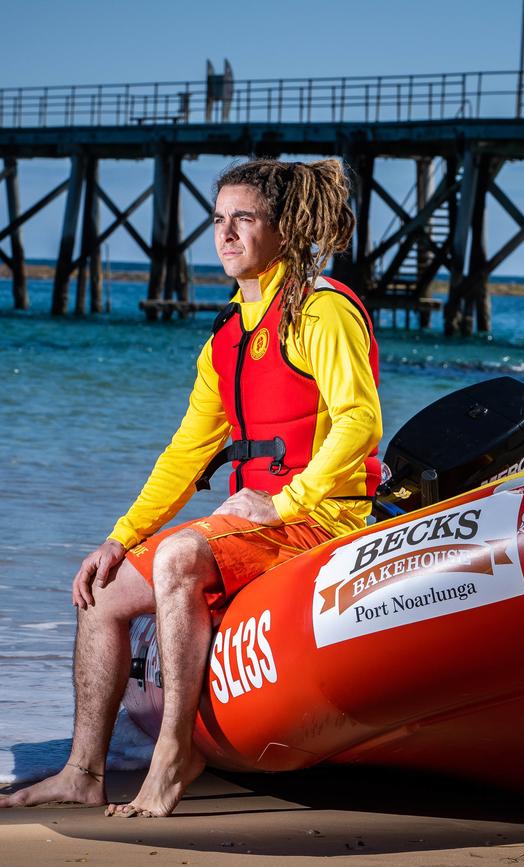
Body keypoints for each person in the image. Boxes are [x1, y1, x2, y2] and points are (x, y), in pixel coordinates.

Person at [0, 158, 382, 817]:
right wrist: (119, 537)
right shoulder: (227, 337)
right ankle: (83, 771)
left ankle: (174, 754)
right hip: (261, 523)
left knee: (180, 557)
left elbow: (360, 420)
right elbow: (186, 451)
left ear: (284, 228)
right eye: (217, 220)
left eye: (244, 218)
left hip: (324, 521)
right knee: (100, 591)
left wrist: (286, 501)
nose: (226, 233)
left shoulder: (322, 312)